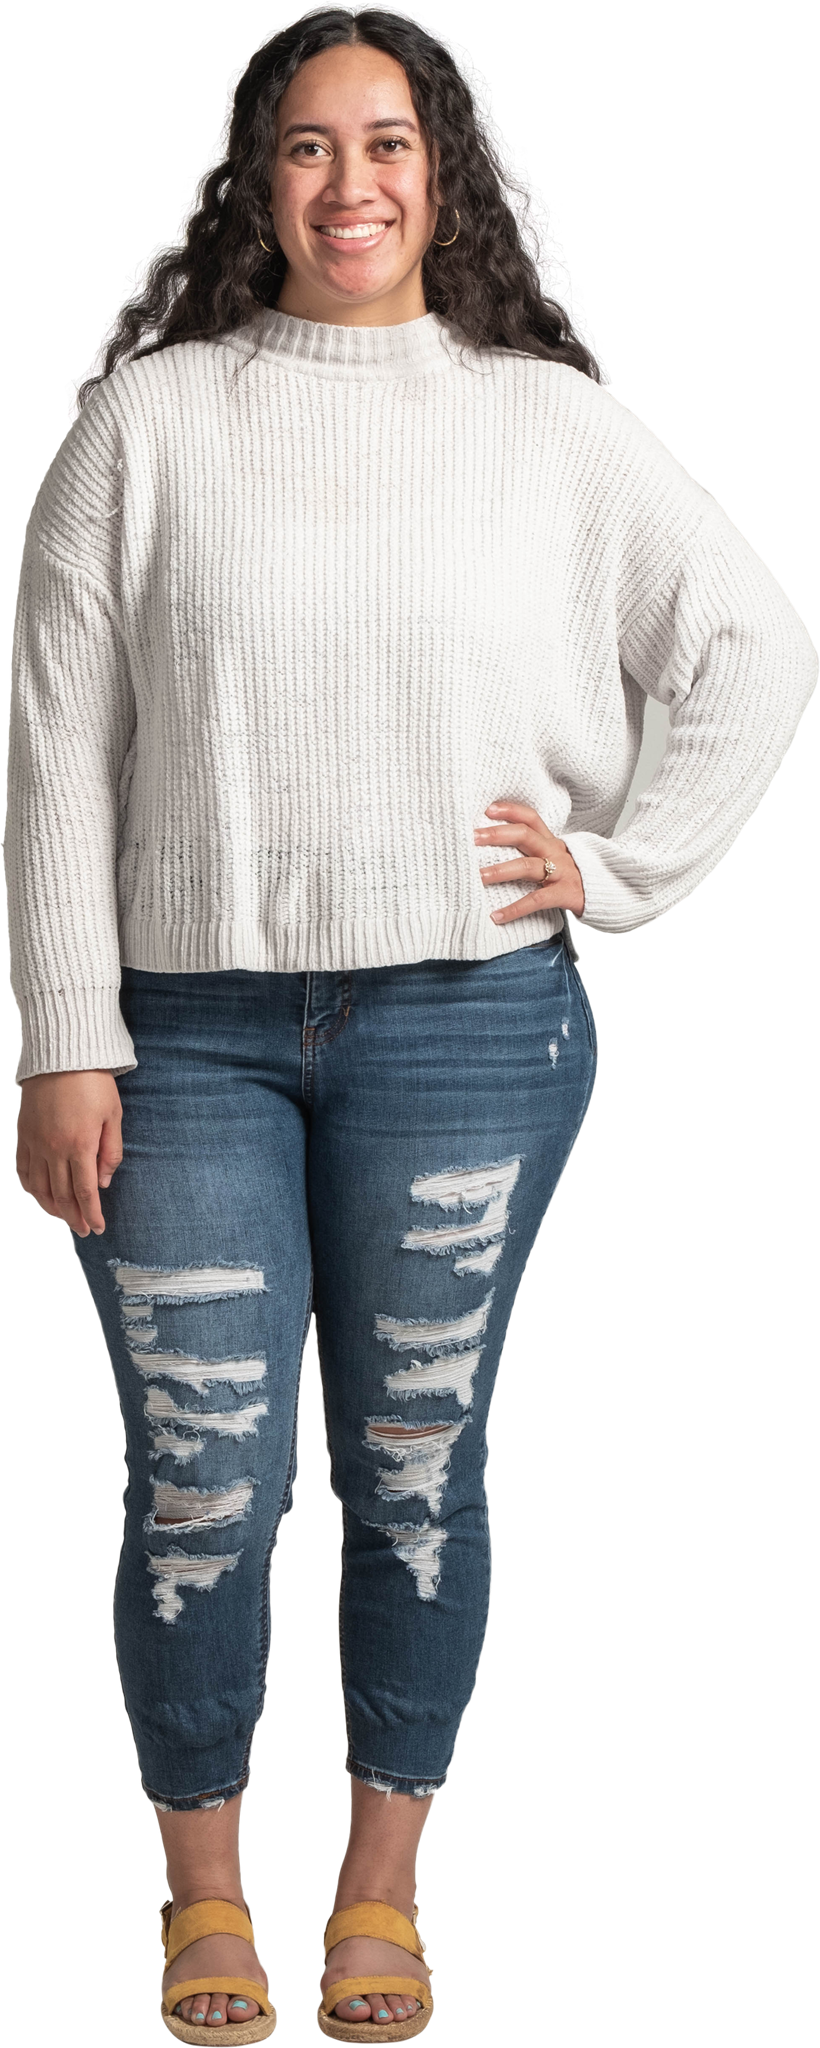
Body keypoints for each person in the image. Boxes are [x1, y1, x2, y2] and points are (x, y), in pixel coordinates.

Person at [8, 16, 817, 2044]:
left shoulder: (545, 427)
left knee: (413, 1463)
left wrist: (613, 868)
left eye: (386, 143)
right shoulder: (149, 425)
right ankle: (206, 1896)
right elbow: (56, 752)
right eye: (306, 147)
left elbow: (754, 646)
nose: (349, 183)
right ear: (255, 182)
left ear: (443, 173)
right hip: (178, 1034)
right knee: (201, 1476)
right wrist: (61, 1033)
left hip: (464, 1023)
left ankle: (380, 1886)